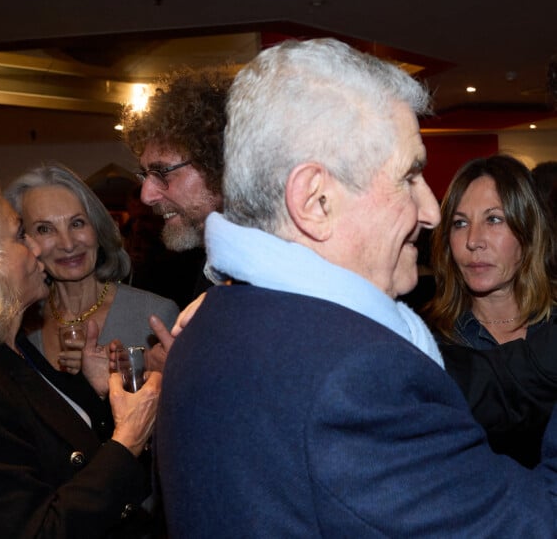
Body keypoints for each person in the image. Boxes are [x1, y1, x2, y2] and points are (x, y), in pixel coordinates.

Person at [156, 38, 557, 537]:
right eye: (410, 176)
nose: (431, 212)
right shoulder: (355, 377)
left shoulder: (212, 322)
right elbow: (533, 525)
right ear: (316, 200)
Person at [0, 165, 162, 538]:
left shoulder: (13, 353)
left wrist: (101, 393)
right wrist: (129, 438)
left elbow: (79, 459)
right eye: (22, 234)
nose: (38, 247)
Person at [4, 163, 179, 438]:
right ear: (23, 242)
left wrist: (120, 380)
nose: (68, 243)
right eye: (45, 229)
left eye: (77, 223)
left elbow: (179, 429)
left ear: (97, 229)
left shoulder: (154, 315)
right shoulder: (19, 327)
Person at [425, 154, 557, 467]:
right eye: (460, 223)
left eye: (493, 219)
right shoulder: (430, 342)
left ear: (528, 230)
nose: (473, 241)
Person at [120, 66, 232, 303]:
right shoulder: (213, 264)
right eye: (146, 175)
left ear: (217, 164)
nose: (146, 195)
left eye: (162, 172)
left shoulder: (268, 267)